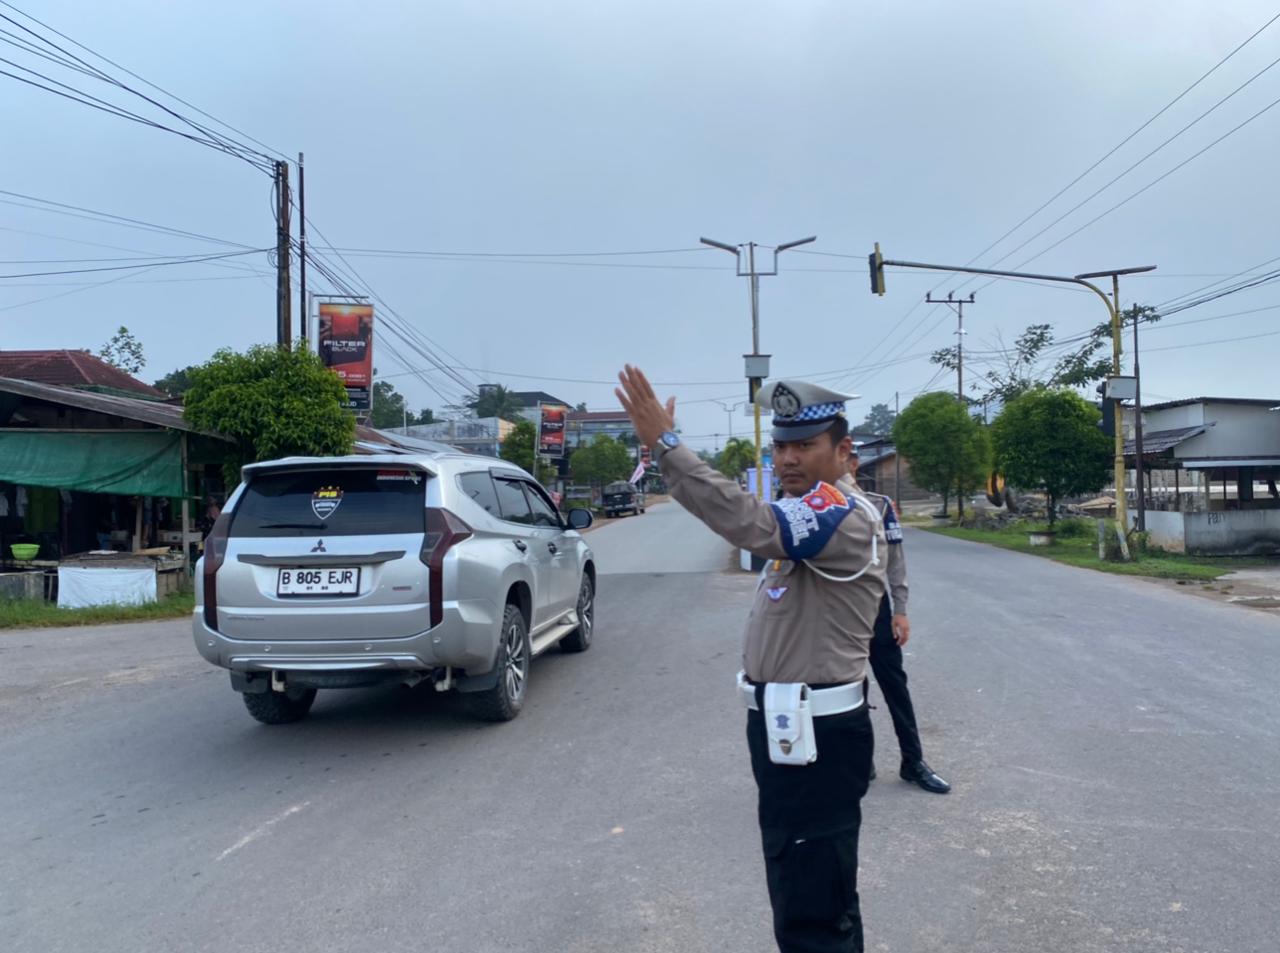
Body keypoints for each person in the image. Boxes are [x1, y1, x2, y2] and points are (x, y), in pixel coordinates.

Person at [616, 366, 886, 953]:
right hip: (790, 727)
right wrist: (665, 456)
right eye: (782, 446)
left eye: (805, 445)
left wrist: (668, 445)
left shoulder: (840, 512)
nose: (788, 458)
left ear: (843, 450)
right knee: (805, 884)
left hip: (817, 733)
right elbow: (744, 521)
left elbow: (750, 522)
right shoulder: (807, 511)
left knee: (813, 899)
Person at [848, 447, 951, 795]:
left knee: (895, 686)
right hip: (836, 616)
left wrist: (900, 609)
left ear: (853, 463)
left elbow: (895, 561)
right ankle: (860, 759)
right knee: (849, 689)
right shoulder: (817, 508)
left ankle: (913, 761)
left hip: (875, 609)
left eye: (846, 461)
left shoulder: (879, 506)